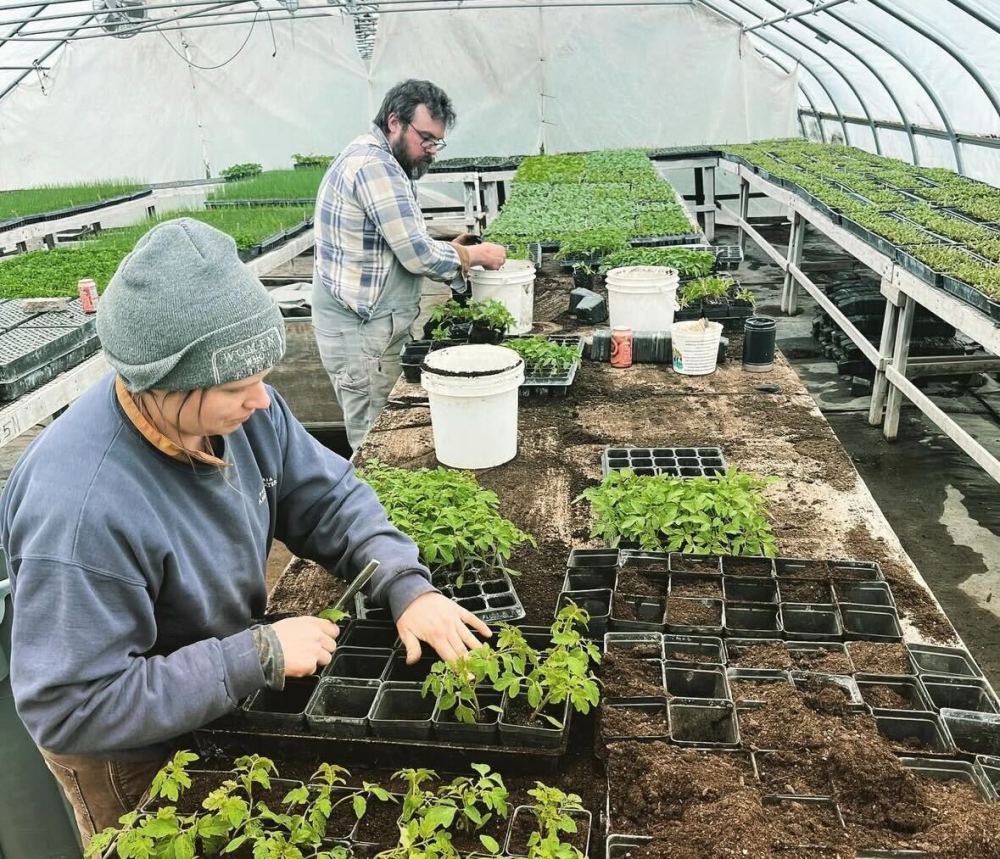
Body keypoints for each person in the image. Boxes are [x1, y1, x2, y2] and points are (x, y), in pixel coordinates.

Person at [0, 218, 491, 845]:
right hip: (126, 750)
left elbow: (328, 499)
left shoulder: (241, 414)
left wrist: (406, 585)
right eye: (237, 386)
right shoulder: (80, 511)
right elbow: (74, 709)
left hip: (207, 687)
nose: (262, 401)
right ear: (163, 385)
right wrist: (253, 655)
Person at [312, 78, 508, 450]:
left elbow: (396, 239)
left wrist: (450, 247)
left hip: (370, 324)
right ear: (394, 123)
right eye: (426, 139)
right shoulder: (375, 166)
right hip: (360, 332)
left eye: (437, 141)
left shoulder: (383, 159)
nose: (432, 150)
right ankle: (373, 507)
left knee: (386, 426)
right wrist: (472, 256)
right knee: (374, 440)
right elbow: (417, 255)